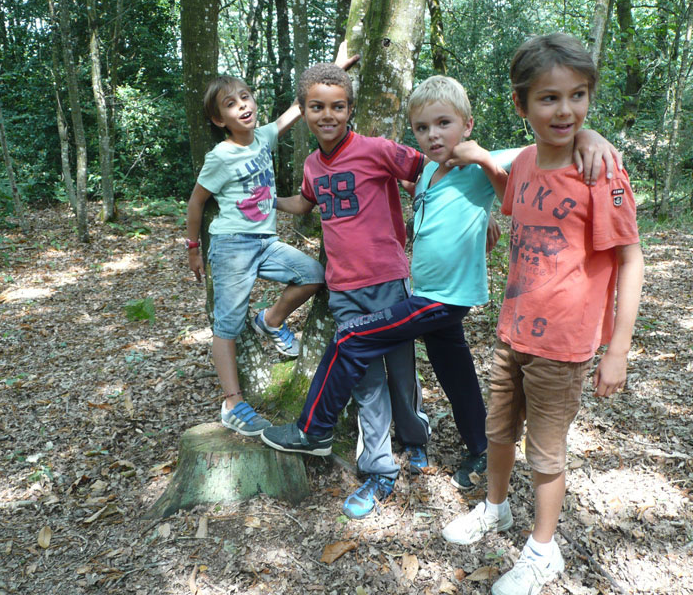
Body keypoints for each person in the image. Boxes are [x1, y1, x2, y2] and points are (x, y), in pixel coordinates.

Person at [261, 71, 623, 517]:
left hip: (445, 296)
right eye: (423, 128)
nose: (434, 135)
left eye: (444, 124)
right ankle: (476, 445)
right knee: (455, 371)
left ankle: (313, 428)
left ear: (466, 125)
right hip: (424, 288)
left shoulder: (475, 160)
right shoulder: (428, 169)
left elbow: (544, 148)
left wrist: (589, 134)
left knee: (352, 339)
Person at [440, 33, 644, 595]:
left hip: (566, 342)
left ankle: (542, 551)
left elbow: (630, 259)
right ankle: (496, 508)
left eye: (578, 96)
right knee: (498, 429)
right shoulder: (527, 160)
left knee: (546, 451)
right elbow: (513, 197)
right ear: (521, 104)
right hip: (513, 330)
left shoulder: (601, 171)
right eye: (549, 98)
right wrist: (483, 159)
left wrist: (618, 349)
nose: (566, 110)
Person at [265, 63, 433, 519]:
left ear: (350, 110)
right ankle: (379, 469)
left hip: (388, 281)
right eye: (316, 107)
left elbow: (427, 168)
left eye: (337, 107)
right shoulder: (312, 164)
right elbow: (305, 202)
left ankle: (416, 438)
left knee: (401, 370)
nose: (327, 115)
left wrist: (450, 213)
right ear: (303, 111)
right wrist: (266, 200)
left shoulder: (377, 150)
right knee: (365, 382)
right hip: (343, 289)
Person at [185, 47, 358, 437]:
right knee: (226, 326)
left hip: (265, 241)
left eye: (245, 97)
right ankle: (233, 403)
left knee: (315, 274)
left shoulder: (262, 137)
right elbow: (196, 202)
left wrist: (335, 67)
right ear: (218, 119)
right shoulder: (220, 156)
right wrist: (193, 249)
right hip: (231, 246)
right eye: (231, 105)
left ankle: (272, 320)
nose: (243, 107)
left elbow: (297, 110)